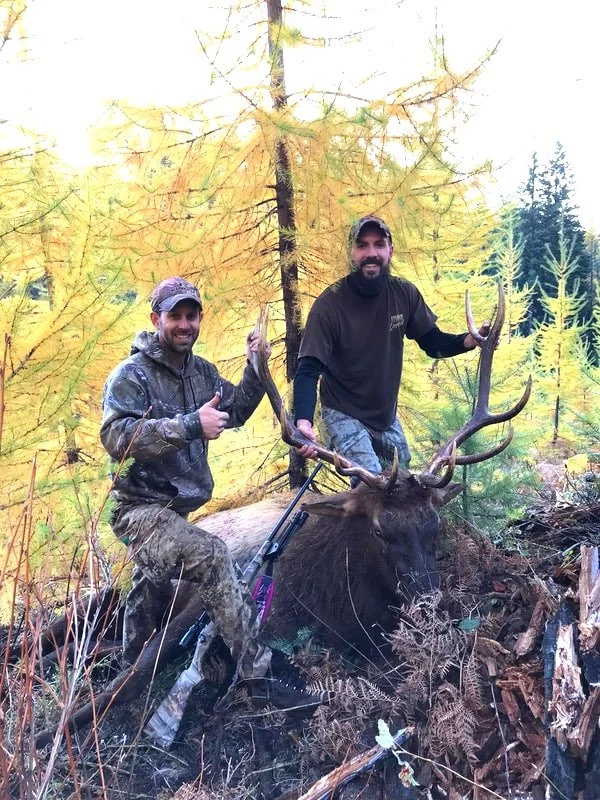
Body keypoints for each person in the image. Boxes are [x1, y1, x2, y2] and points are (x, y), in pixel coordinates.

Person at [101, 276, 323, 707]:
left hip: (174, 511)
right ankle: (256, 674)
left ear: (199, 318)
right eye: (175, 316)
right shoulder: (131, 376)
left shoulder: (200, 373)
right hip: (136, 510)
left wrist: (255, 367)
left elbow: (235, 409)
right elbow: (117, 438)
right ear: (156, 319)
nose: (184, 324)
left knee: (150, 588)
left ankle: (127, 678)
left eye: (191, 315)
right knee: (214, 556)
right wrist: (188, 426)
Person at [293, 215, 489, 473]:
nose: (371, 253)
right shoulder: (329, 306)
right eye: (362, 245)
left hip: (384, 418)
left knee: (403, 483)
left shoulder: (404, 294)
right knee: (371, 483)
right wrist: (304, 421)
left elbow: (432, 341)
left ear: (390, 250)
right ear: (352, 253)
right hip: (342, 413)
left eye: (378, 244)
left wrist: (469, 340)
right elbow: (308, 369)